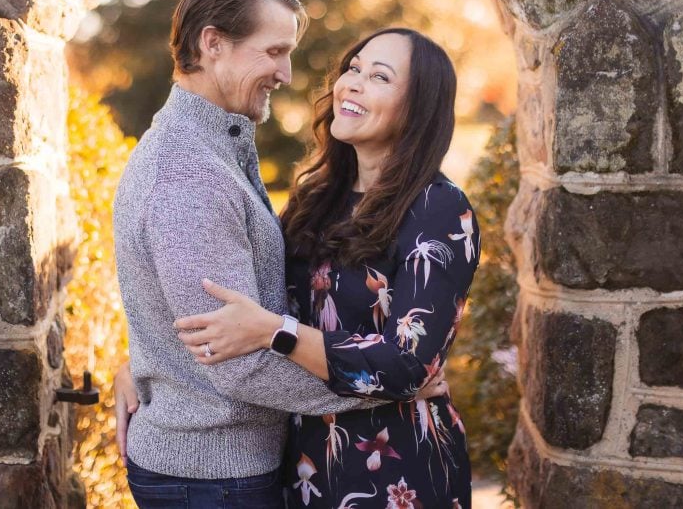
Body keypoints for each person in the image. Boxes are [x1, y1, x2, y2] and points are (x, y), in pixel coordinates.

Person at [111, 0, 448, 509]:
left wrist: (146, 361)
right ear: (214, 44)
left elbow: (215, 320)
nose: (287, 74)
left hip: (233, 467)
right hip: (213, 476)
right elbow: (237, 361)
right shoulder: (189, 171)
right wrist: (386, 389)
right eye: (274, 52)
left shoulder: (218, 147)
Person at [169, 27, 481, 507]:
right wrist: (148, 367)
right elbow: (232, 301)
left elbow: (407, 365)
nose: (351, 83)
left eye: (379, 77)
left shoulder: (439, 210)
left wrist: (279, 333)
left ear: (416, 109)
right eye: (353, 68)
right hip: (306, 465)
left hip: (398, 470)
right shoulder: (316, 199)